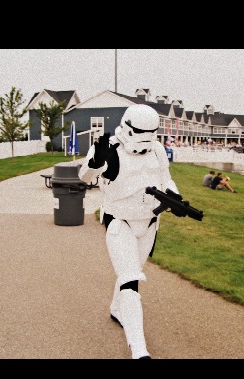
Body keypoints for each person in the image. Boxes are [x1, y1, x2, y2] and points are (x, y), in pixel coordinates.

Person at [78, 104, 192, 359]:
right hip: (121, 221)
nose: (145, 139)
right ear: (128, 128)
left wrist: (174, 197)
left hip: (149, 222)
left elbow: (166, 178)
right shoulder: (110, 148)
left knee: (131, 271)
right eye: (140, 133)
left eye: (151, 134)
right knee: (130, 281)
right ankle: (139, 350)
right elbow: (85, 177)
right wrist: (96, 162)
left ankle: (117, 309)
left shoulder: (158, 150)